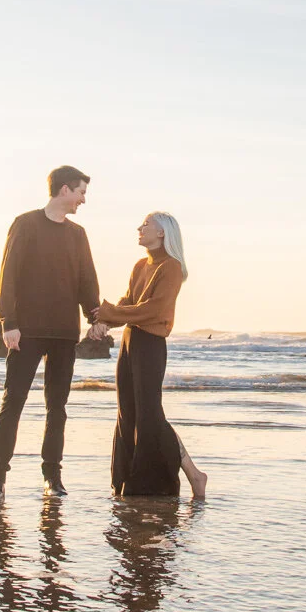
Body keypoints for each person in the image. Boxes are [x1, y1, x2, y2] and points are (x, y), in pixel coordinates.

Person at [0, 165, 109, 499]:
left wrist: (94, 317)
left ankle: (52, 478)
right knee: (13, 403)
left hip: (64, 334)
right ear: (65, 190)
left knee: (57, 408)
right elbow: (7, 275)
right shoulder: (25, 224)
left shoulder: (78, 234)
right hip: (26, 331)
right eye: (81, 192)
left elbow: (87, 279)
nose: (83, 200)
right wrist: (8, 323)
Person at [96, 212, 208, 500]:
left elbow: (153, 310)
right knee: (127, 413)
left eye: (146, 224)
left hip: (151, 344)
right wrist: (104, 322)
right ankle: (127, 482)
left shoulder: (171, 267)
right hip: (130, 341)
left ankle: (181, 477)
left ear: (162, 233)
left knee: (150, 415)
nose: (139, 228)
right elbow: (129, 304)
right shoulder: (139, 266)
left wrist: (109, 313)